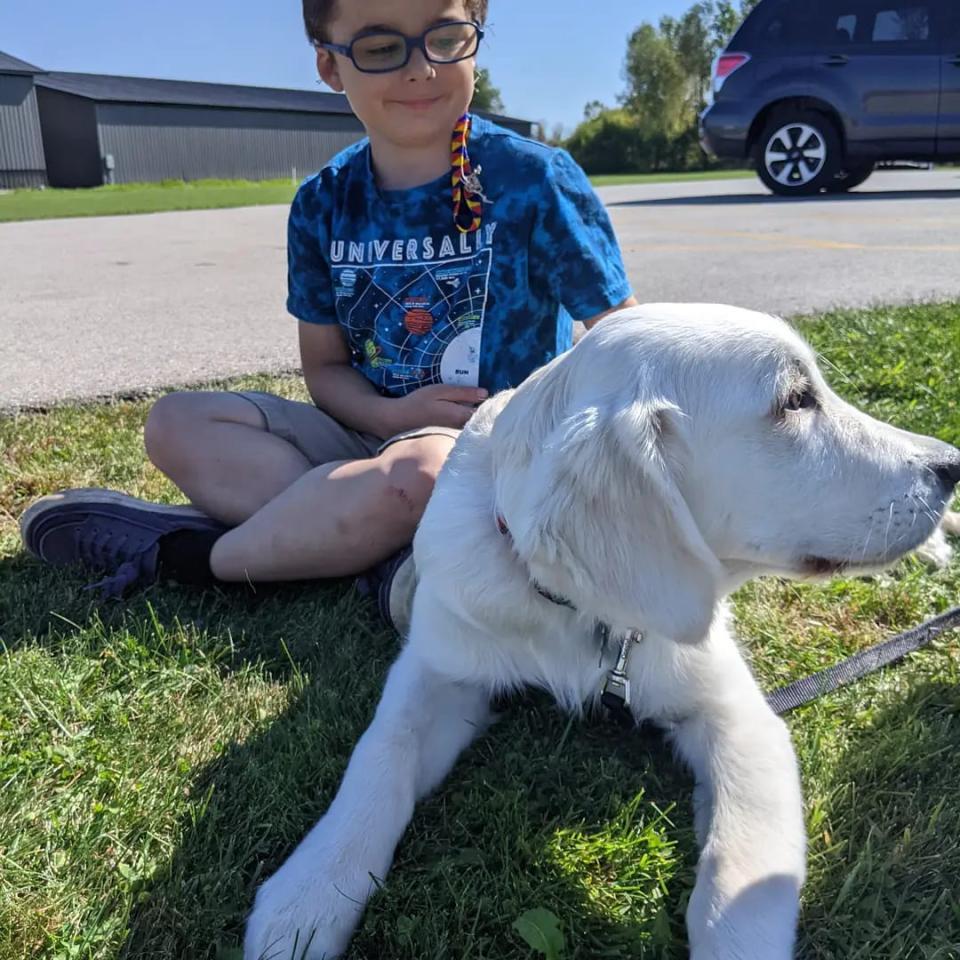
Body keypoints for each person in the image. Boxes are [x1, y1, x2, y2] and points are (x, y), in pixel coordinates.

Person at [20, 0, 636, 631]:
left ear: (475, 39)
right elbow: (325, 367)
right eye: (379, 48)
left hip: (491, 461)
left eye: (446, 38)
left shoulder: (535, 180)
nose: (421, 69)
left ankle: (188, 554)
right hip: (364, 438)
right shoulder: (323, 202)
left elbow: (625, 340)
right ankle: (381, 554)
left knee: (421, 473)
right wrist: (390, 416)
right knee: (176, 422)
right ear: (329, 65)